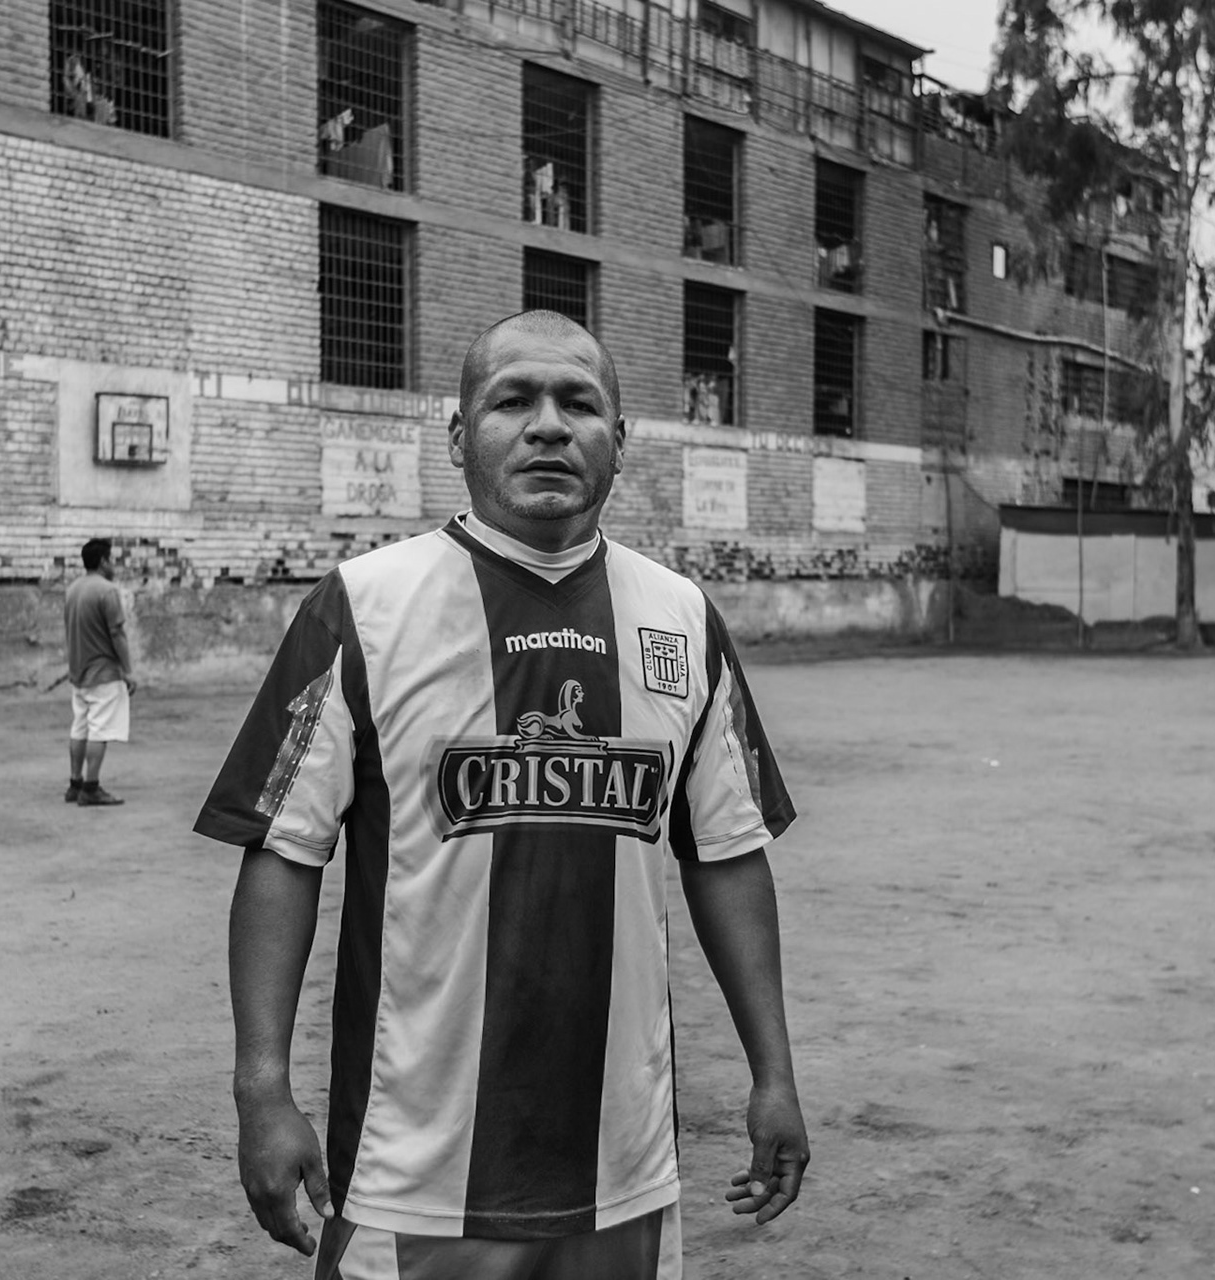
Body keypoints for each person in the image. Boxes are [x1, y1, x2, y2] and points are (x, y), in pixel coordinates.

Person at [195, 311, 808, 1279]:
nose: (549, 425)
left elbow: (728, 851)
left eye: (580, 403)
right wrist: (260, 1087)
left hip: (625, 1159)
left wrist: (774, 1073)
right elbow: (283, 850)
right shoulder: (361, 604)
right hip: (414, 1163)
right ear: (458, 435)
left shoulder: (681, 615)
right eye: (513, 399)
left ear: (620, 438)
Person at [65, 537, 137, 805]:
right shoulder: (107, 591)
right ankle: (91, 787)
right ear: (103, 561)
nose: (114, 564)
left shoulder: (73, 589)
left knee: (80, 726)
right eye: (112, 559)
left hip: (79, 672)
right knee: (99, 730)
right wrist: (128, 670)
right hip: (103, 671)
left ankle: (75, 784)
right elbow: (117, 633)